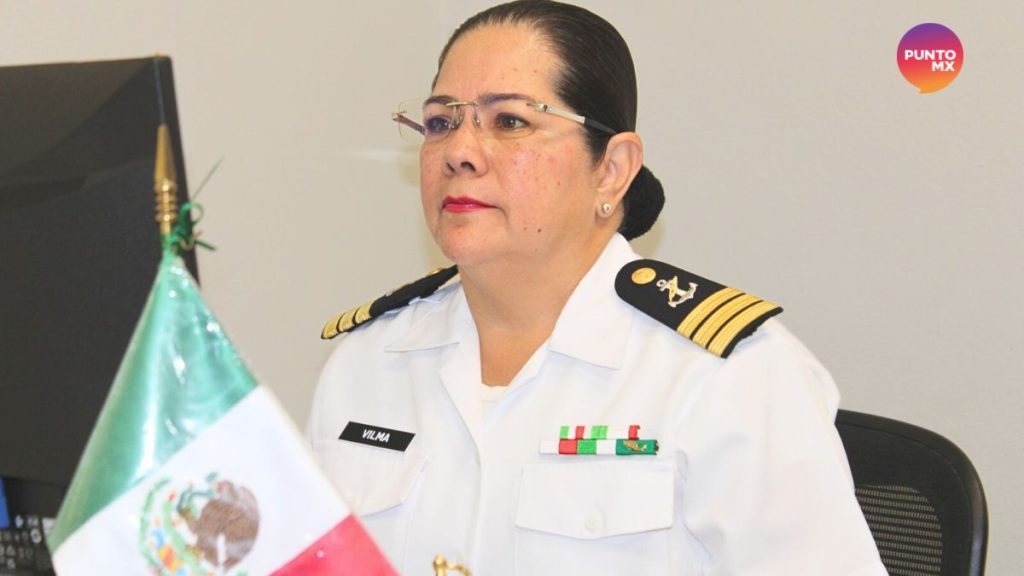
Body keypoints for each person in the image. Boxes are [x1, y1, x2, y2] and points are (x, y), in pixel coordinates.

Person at [309, 1, 887, 574]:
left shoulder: (727, 376)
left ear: (611, 169)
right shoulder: (367, 363)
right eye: (441, 122)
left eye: (510, 121)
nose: (459, 152)